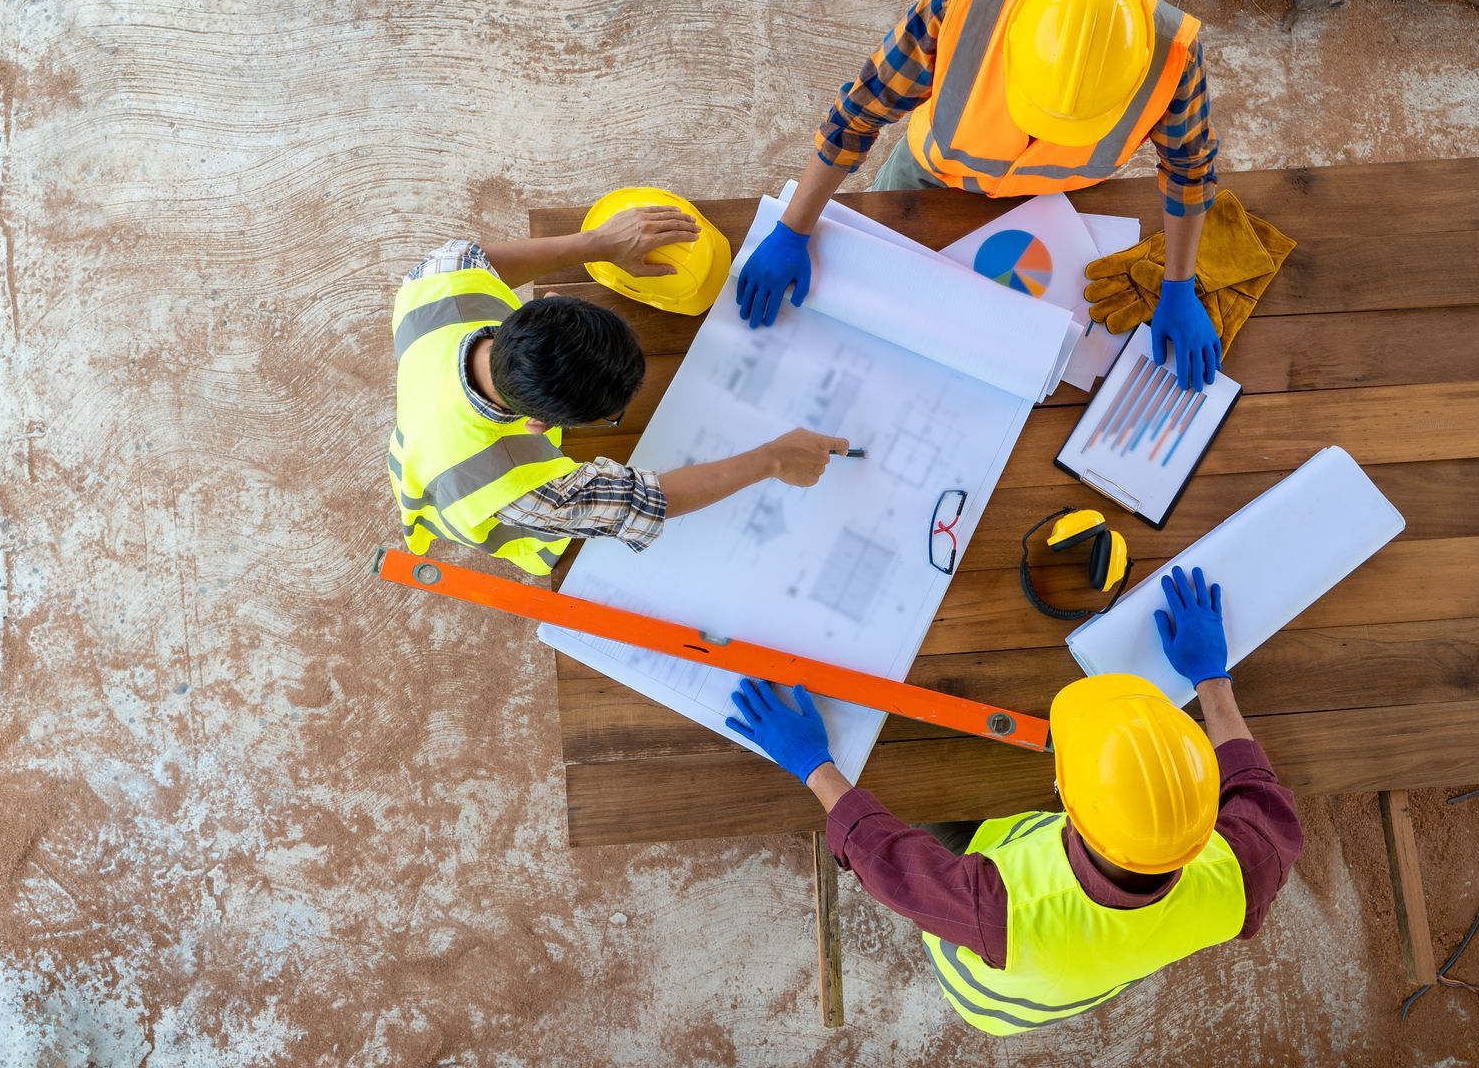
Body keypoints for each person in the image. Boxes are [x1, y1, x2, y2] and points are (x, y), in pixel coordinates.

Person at [725, 566, 1302, 1035]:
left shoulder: (1000, 911)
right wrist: (1212, 677)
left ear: (1066, 804)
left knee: (911, 794)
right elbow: (1256, 790)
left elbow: (890, 863)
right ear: (1207, 816)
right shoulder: (1245, 871)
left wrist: (813, 765)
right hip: (1089, 961)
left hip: (992, 994)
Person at [736, 0, 1226, 391]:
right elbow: (857, 115)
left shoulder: (1174, 58)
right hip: (928, 181)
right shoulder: (960, 7)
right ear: (1013, 42)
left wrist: (1179, 285)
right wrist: (793, 227)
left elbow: (1189, 170)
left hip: (1053, 201)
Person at [390, 208, 850, 574]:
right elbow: (646, 503)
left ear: (547, 306)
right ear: (540, 425)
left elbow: (477, 259)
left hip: (429, 396)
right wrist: (772, 459)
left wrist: (599, 243)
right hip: (447, 485)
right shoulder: (518, 492)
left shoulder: (436, 283)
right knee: (535, 538)